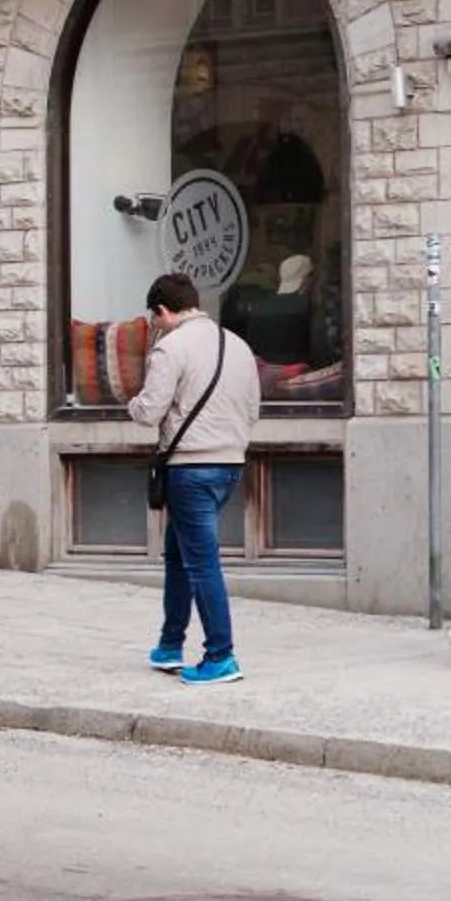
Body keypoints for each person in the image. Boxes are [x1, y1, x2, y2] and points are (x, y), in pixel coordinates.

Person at [129, 271, 261, 685]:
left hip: (189, 469)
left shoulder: (171, 347)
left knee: (201, 564)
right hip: (230, 465)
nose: (156, 327)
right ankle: (170, 644)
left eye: (155, 319)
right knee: (178, 555)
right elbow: (253, 410)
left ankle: (220, 657)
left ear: (162, 310)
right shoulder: (238, 345)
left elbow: (149, 411)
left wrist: (132, 403)